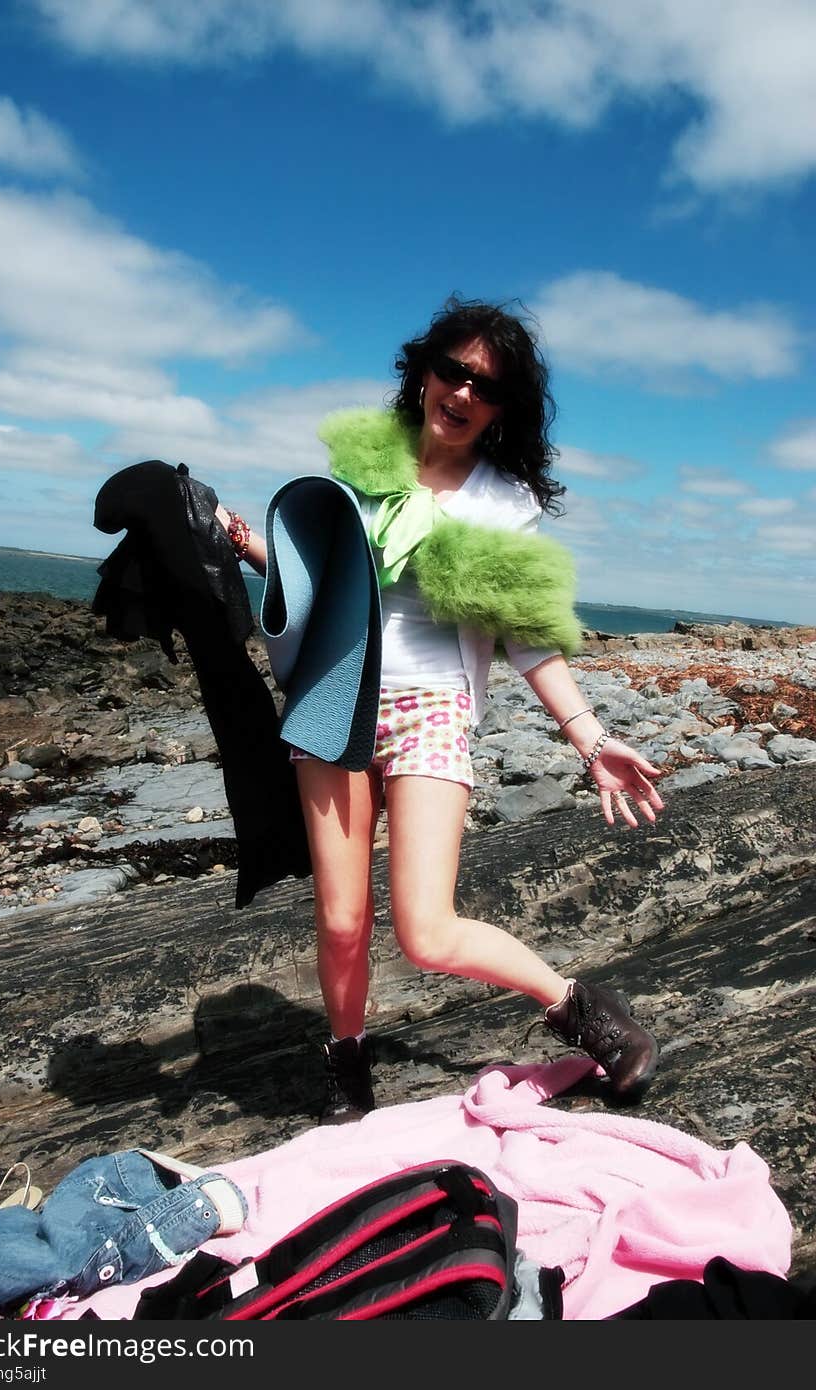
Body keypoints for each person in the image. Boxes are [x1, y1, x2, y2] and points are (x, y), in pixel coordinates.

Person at [218, 297, 665, 1124]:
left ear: (503, 409)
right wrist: (247, 543)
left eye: (486, 387)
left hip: (431, 706)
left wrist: (589, 736)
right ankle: (347, 1066)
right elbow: (319, 579)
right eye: (453, 371)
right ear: (424, 371)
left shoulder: (503, 504)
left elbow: (528, 635)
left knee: (425, 929)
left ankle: (580, 1008)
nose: (462, 393)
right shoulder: (365, 467)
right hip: (333, 703)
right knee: (343, 917)